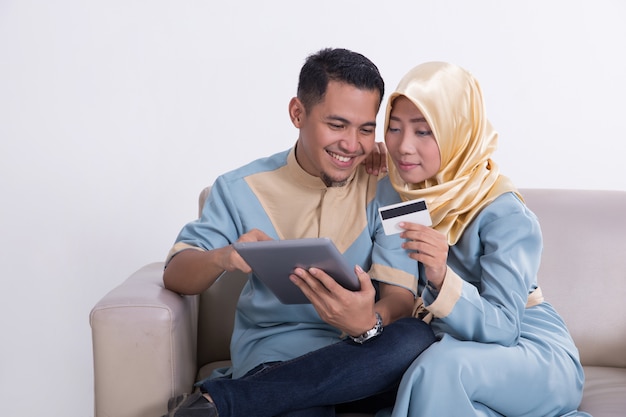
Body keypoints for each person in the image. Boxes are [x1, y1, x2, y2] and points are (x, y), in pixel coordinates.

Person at [161, 48, 435, 417]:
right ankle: (270, 395)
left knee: (416, 337)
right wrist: (223, 257)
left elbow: (401, 299)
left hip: (364, 354)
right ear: (297, 113)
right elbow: (176, 275)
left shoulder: (393, 188)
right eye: (337, 125)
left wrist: (367, 321)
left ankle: (225, 402)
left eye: (366, 129)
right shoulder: (238, 188)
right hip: (276, 357)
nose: (352, 145)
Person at [376, 61, 588, 417]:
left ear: (457, 131)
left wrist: (442, 277)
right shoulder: (401, 193)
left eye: (424, 131)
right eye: (394, 129)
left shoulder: (505, 213)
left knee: (442, 368)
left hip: (530, 351)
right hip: (454, 347)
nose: (403, 146)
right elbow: (396, 282)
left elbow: (505, 327)